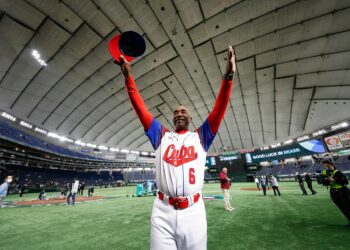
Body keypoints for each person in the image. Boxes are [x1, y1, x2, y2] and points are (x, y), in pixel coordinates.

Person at [119, 45, 236, 250]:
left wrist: (228, 77)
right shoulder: (161, 136)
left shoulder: (201, 137)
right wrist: (128, 76)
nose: (179, 113)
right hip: (162, 211)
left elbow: (219, 108)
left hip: (194, 212)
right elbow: (140, 108)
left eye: (183, 111)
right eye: (175, 112)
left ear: (190, 118)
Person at [322, 160, 350, 226]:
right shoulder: (325, 173)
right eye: (325, 166)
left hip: (342, 192)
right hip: (333, 193)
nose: (326, 168)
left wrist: (335, 180)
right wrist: (327, 180)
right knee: (342, 208)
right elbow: (323, 183)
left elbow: (346, 181)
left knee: (348, 207)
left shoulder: (338, 172)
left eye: (327, 166)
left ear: (331, 165)